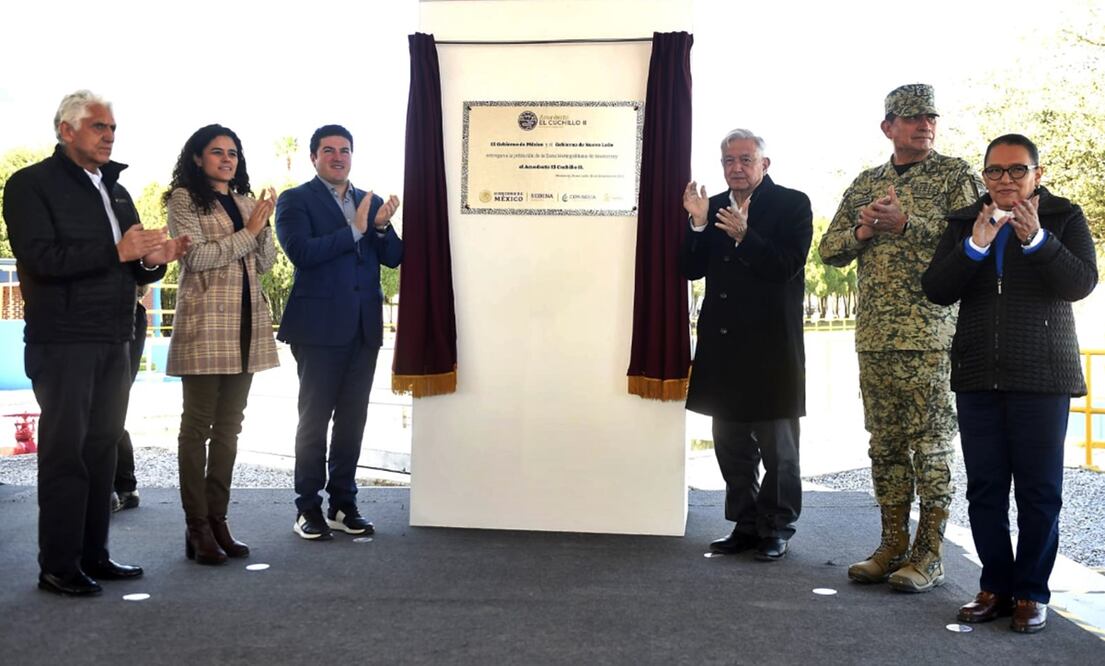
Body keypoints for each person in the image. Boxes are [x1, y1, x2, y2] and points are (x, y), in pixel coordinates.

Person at [3, 90, 189, 596]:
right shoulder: (29, 185)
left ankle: (93, 555)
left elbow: (133, 267)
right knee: (65, 453)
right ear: (66, 130)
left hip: (117, 334)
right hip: (64, 338)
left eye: (112, 129)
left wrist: (157, 257)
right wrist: (116, 250)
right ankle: (58, 566)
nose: (109, 136)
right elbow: (41, 260)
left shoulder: (116, 189)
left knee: (102, 448)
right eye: (98, 127)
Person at [923, 134, 1097, 633]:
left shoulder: (1065, 217)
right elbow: (936, 289)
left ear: (1036, 175)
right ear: (984, 177)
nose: (1005, 180)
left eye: (1017, 170)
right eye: (995, 171)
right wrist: (974, 247)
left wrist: (1038, 240)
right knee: (985, 490)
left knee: (1040, 492)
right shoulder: (963, 223)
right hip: (978, 375)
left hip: (1044, 376)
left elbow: (1080, 283)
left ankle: (1031, 593)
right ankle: (995, 587)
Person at [819, 84, 983, 592]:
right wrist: (866, 230)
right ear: (888, 127)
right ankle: (891, 545)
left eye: (930, 117)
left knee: (931, 448)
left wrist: (907, 222)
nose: (924, 125)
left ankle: (929, 554)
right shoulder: (869, 181)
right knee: (884, 445)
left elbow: (974, 237)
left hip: (931, 335)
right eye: (912, 118)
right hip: (875, 338)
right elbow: (829, 248)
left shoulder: (956, 176)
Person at [681, 129, 813, 561]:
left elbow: (787, 266)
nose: (735, 168)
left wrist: (744, 235)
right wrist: (699, 223)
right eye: (728, 161)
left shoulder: (792, 204)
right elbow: (690, 269)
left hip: (772, 347)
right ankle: (745, 522)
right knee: (731, 443)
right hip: (724, 347)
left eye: (745, 159)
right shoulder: (713, 205)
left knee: (780, 449)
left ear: (764, 164)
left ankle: (777, 526)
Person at [276, 124, 403, 540]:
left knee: (353, 420)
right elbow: (302, 253)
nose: (337, 157)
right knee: (313, 421)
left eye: (344, 150)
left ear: (352, 155)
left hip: (364, 328)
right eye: (328, 150)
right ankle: (307, 507)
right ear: (313, 157)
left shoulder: (370, 200)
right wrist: (356, 231)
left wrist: (381, 228)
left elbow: (394, 258)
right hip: (317, 330)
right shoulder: (296, 201)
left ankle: (343, 505)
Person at [165, 124, 280, 565]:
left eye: (233, 152)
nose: (227, 159)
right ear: (198, 158)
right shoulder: (183, 200)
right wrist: (250, 231)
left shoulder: (247, 203)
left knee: (230, 430)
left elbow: (265, 264)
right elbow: (196, 258)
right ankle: (196, 527)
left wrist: (263, 226)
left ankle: (218, 520)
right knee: (197, 429)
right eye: (217, 152)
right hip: (205, 328)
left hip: (247, 328)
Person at [111, 288, 147, 513]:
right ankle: (122, 486)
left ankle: (122, 487)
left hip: (125, 313)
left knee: (111, 408)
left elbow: (145, 279)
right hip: (80, 317)